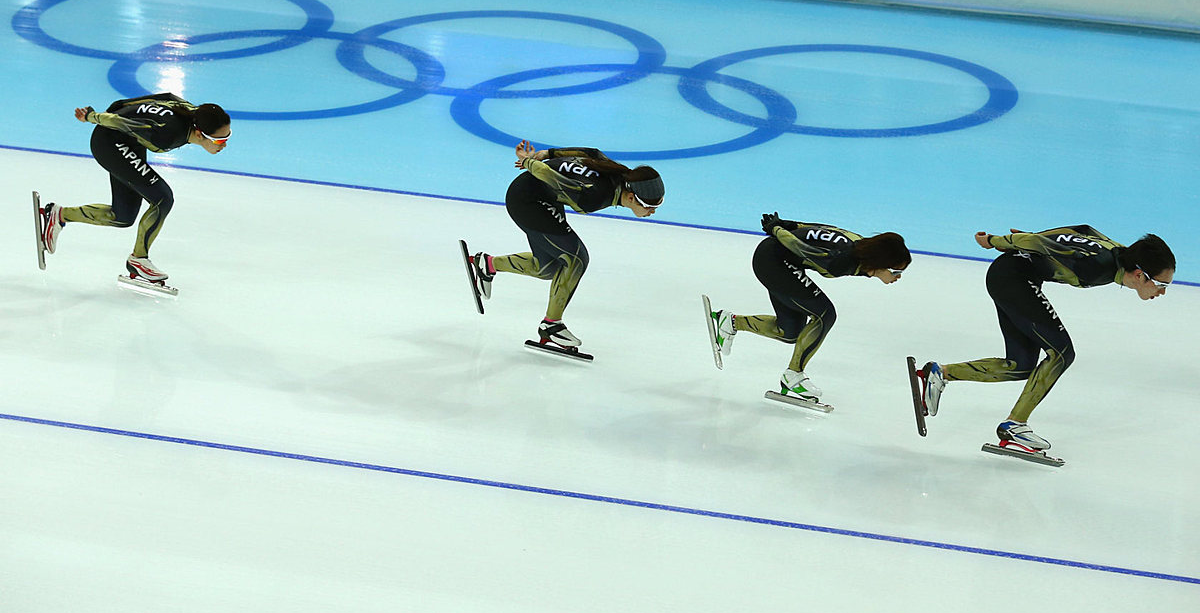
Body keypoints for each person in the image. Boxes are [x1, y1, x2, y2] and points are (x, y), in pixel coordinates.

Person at [917, 226, 1175, 452]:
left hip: (1011, 277)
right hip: (1013, 279)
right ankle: (1014, 425)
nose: (1162, 292)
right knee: (1062, 353)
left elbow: (1083, 231)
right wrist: (997, 241)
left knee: (1020, 365)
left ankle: (941, 374)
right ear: (1140, 275)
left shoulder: (1118, 252)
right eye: (1161, 284)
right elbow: (1039, 244)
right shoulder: (1099, 266)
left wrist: (1034, 237)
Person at [466, 140, 663, 348]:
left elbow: (591, 152)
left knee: (548, 268)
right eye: (650, 206)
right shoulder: (596, 195)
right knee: (576, 258)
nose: (653, 211)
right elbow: (551, 177)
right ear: (631, 197)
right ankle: (551, 326)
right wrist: (529, 162)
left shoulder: (618, 174)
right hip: (526, 200)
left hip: (542, 198)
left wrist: (547, 153)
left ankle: (487, 265)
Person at [707, 214, 911, 401]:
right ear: (880, 262)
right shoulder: (841, 262)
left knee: (790, 332)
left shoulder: (858, 243)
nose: (896, 276)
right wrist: (777, 229)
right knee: (825, 314)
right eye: (894, 270)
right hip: (773, 262)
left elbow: (822, 229)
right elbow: (802, 248)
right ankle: (793, 375)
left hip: (779, 259)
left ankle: (732, 322)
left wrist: (788, 224)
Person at [40, 93, 231, 284]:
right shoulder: (169, 134)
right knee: (163, 198)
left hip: (129, 142)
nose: (224, 145)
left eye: (227, 137)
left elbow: (151, 99)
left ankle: (59, 215)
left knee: (123, 216)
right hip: (109, 143)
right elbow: (118, 121)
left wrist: (116, 107)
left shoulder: (191, 112)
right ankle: (139, 259)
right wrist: (91, 116)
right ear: (199, 134)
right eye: (219, 141)